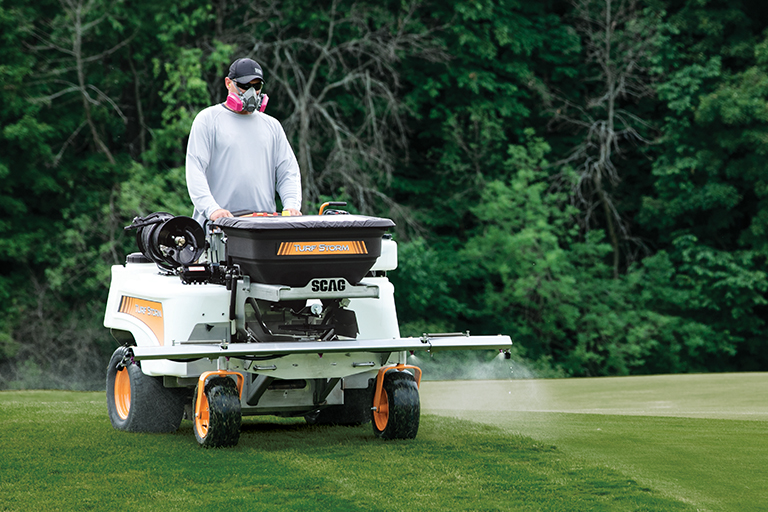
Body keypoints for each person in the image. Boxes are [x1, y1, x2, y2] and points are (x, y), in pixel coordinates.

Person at [186, 57, 302, 225]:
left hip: (263, 228)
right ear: (228, 83)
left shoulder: (272, 126)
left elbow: (288, 171)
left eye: (257, 86)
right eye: (244, 86)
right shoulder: (208, 120)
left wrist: (291, 205)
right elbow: (195, 170)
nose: (251, 92)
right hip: (218, 227)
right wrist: (212, 209)